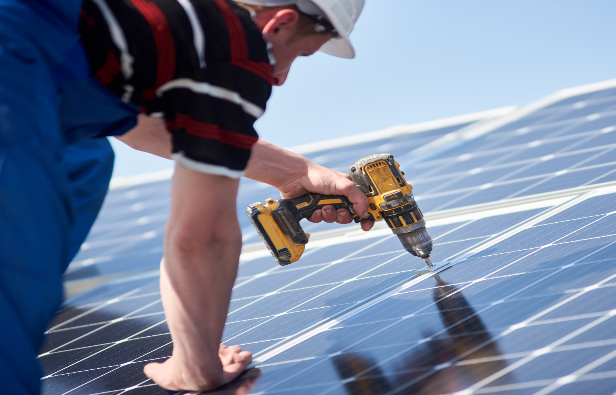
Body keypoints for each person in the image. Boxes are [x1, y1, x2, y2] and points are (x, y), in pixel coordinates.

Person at [0, 0, 368, 393]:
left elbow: (136, 123)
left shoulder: (171, 22)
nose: (280, 78)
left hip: (33, 60)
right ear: (279, 24)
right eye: (301, 53)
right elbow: (201, 238)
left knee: (84, 158)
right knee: (13, 281)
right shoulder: (236, 43)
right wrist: (198, 368)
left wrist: (294, 173)